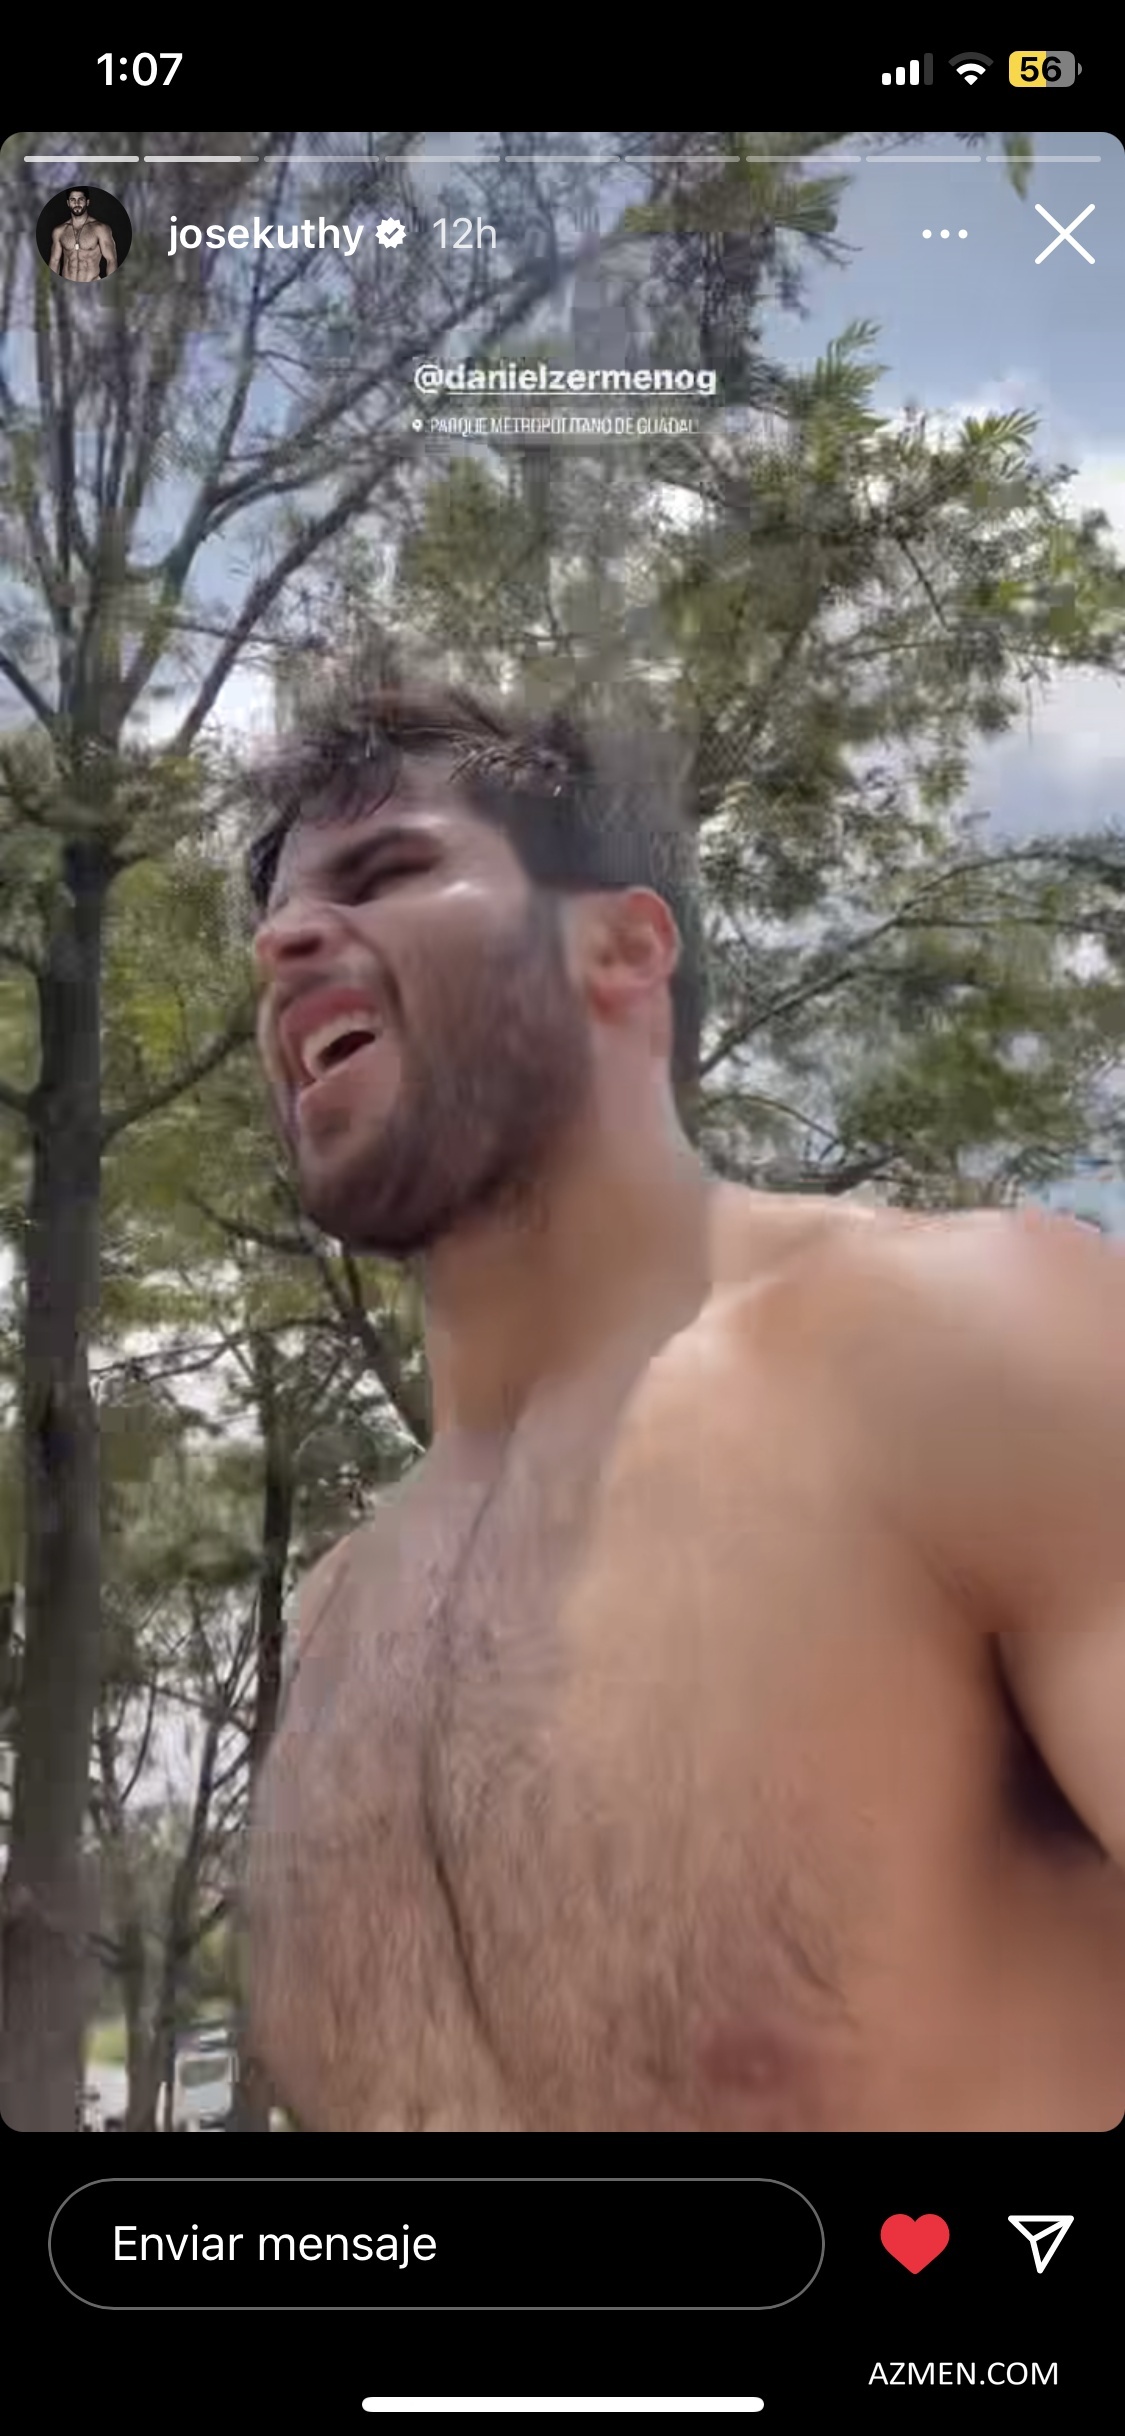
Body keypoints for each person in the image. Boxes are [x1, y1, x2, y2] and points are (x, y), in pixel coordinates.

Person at [243, 681, 1125, 2132]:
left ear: (621, 949)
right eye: (273, 920)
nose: (281, 947)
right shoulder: (336, 1619)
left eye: (388, 871)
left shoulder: (971, 1343)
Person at [49, 189, 118, 282]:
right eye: (73, 200)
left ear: (87, 202)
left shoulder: (100, 229)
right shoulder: (59, 231)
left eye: (80, 199)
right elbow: (54, 262)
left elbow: (111, 260)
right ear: (68, 203)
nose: (76, 203)